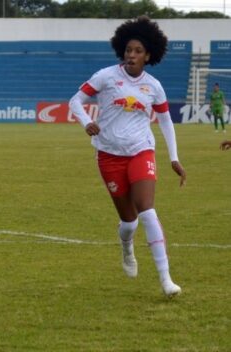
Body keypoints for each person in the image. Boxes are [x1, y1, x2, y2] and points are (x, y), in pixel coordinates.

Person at [68, 16, 186, 298]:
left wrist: (173, 157)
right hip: (109, 154)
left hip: (141, 150)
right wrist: (86, 122)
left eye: (137, 51)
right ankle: (127, 247)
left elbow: (166, 121)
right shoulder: (105, 76)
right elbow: (75, 101)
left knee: (147, 208)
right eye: (128, 50)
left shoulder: (154, 86)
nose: (131, 55)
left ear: (148, 55)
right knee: (129, 221)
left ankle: (166, 279)